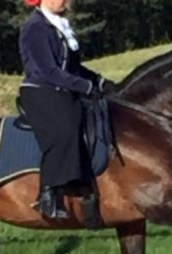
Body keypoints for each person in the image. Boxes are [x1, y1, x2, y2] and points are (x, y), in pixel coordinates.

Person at [17, 0, 116, 220]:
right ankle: (48, 193)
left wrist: (99, 82)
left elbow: (73, 68)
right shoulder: (36, 27)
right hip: (40, 90)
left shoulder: (60, 26)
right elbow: (49, 71)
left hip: (63, 90)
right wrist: (85, 87)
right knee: (66, 127)